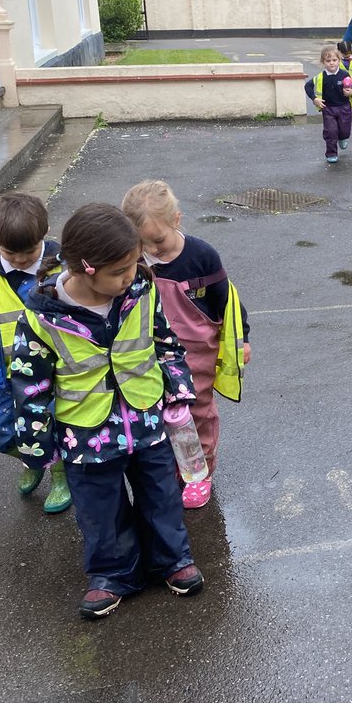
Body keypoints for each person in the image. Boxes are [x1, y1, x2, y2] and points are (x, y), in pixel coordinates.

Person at [11, 203, 204, 620]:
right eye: (120, 271)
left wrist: (179, 390)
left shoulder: (141, 291)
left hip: (146, 417)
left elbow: (164, 342)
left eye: (134, 265)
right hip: (85, 431)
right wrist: (37, 445)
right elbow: (30, 385)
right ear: (85, 269)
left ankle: (171, 560)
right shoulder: (42, 317)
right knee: (100, 508)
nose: (130, 277)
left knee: (161, 494)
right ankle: (113, 575)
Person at [121, 179, 249, 509]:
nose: (151, 251)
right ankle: (174, 465)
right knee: (161, 414)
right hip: (152, 355)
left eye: (158, 241)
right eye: (142, 244)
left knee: (197, 413)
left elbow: (228, 302)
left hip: (198, 356)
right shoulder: (135, 263)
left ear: (177, 219)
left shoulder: (202, 256)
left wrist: (242, 339)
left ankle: (200, 471)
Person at [0, 192, 69, 511]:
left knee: (50, 420)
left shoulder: (62, 267)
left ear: (43, 235)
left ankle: (58, 470)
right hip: (5, 372)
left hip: (50, 371)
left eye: (28, 252)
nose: (20, 260)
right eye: (10, 252)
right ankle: (33, 458)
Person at [305, 45, 352, 164]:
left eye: (334, 60)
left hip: (344, 107)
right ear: (323, 62)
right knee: (330, 132)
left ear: (339, 60)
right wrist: (315, 99)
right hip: (328, 108)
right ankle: (331, 153)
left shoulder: (344, 74)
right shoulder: (321, 77)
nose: (331, 63)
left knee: (344, 130)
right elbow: (308, 86)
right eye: (328, 61)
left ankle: (343, 138)